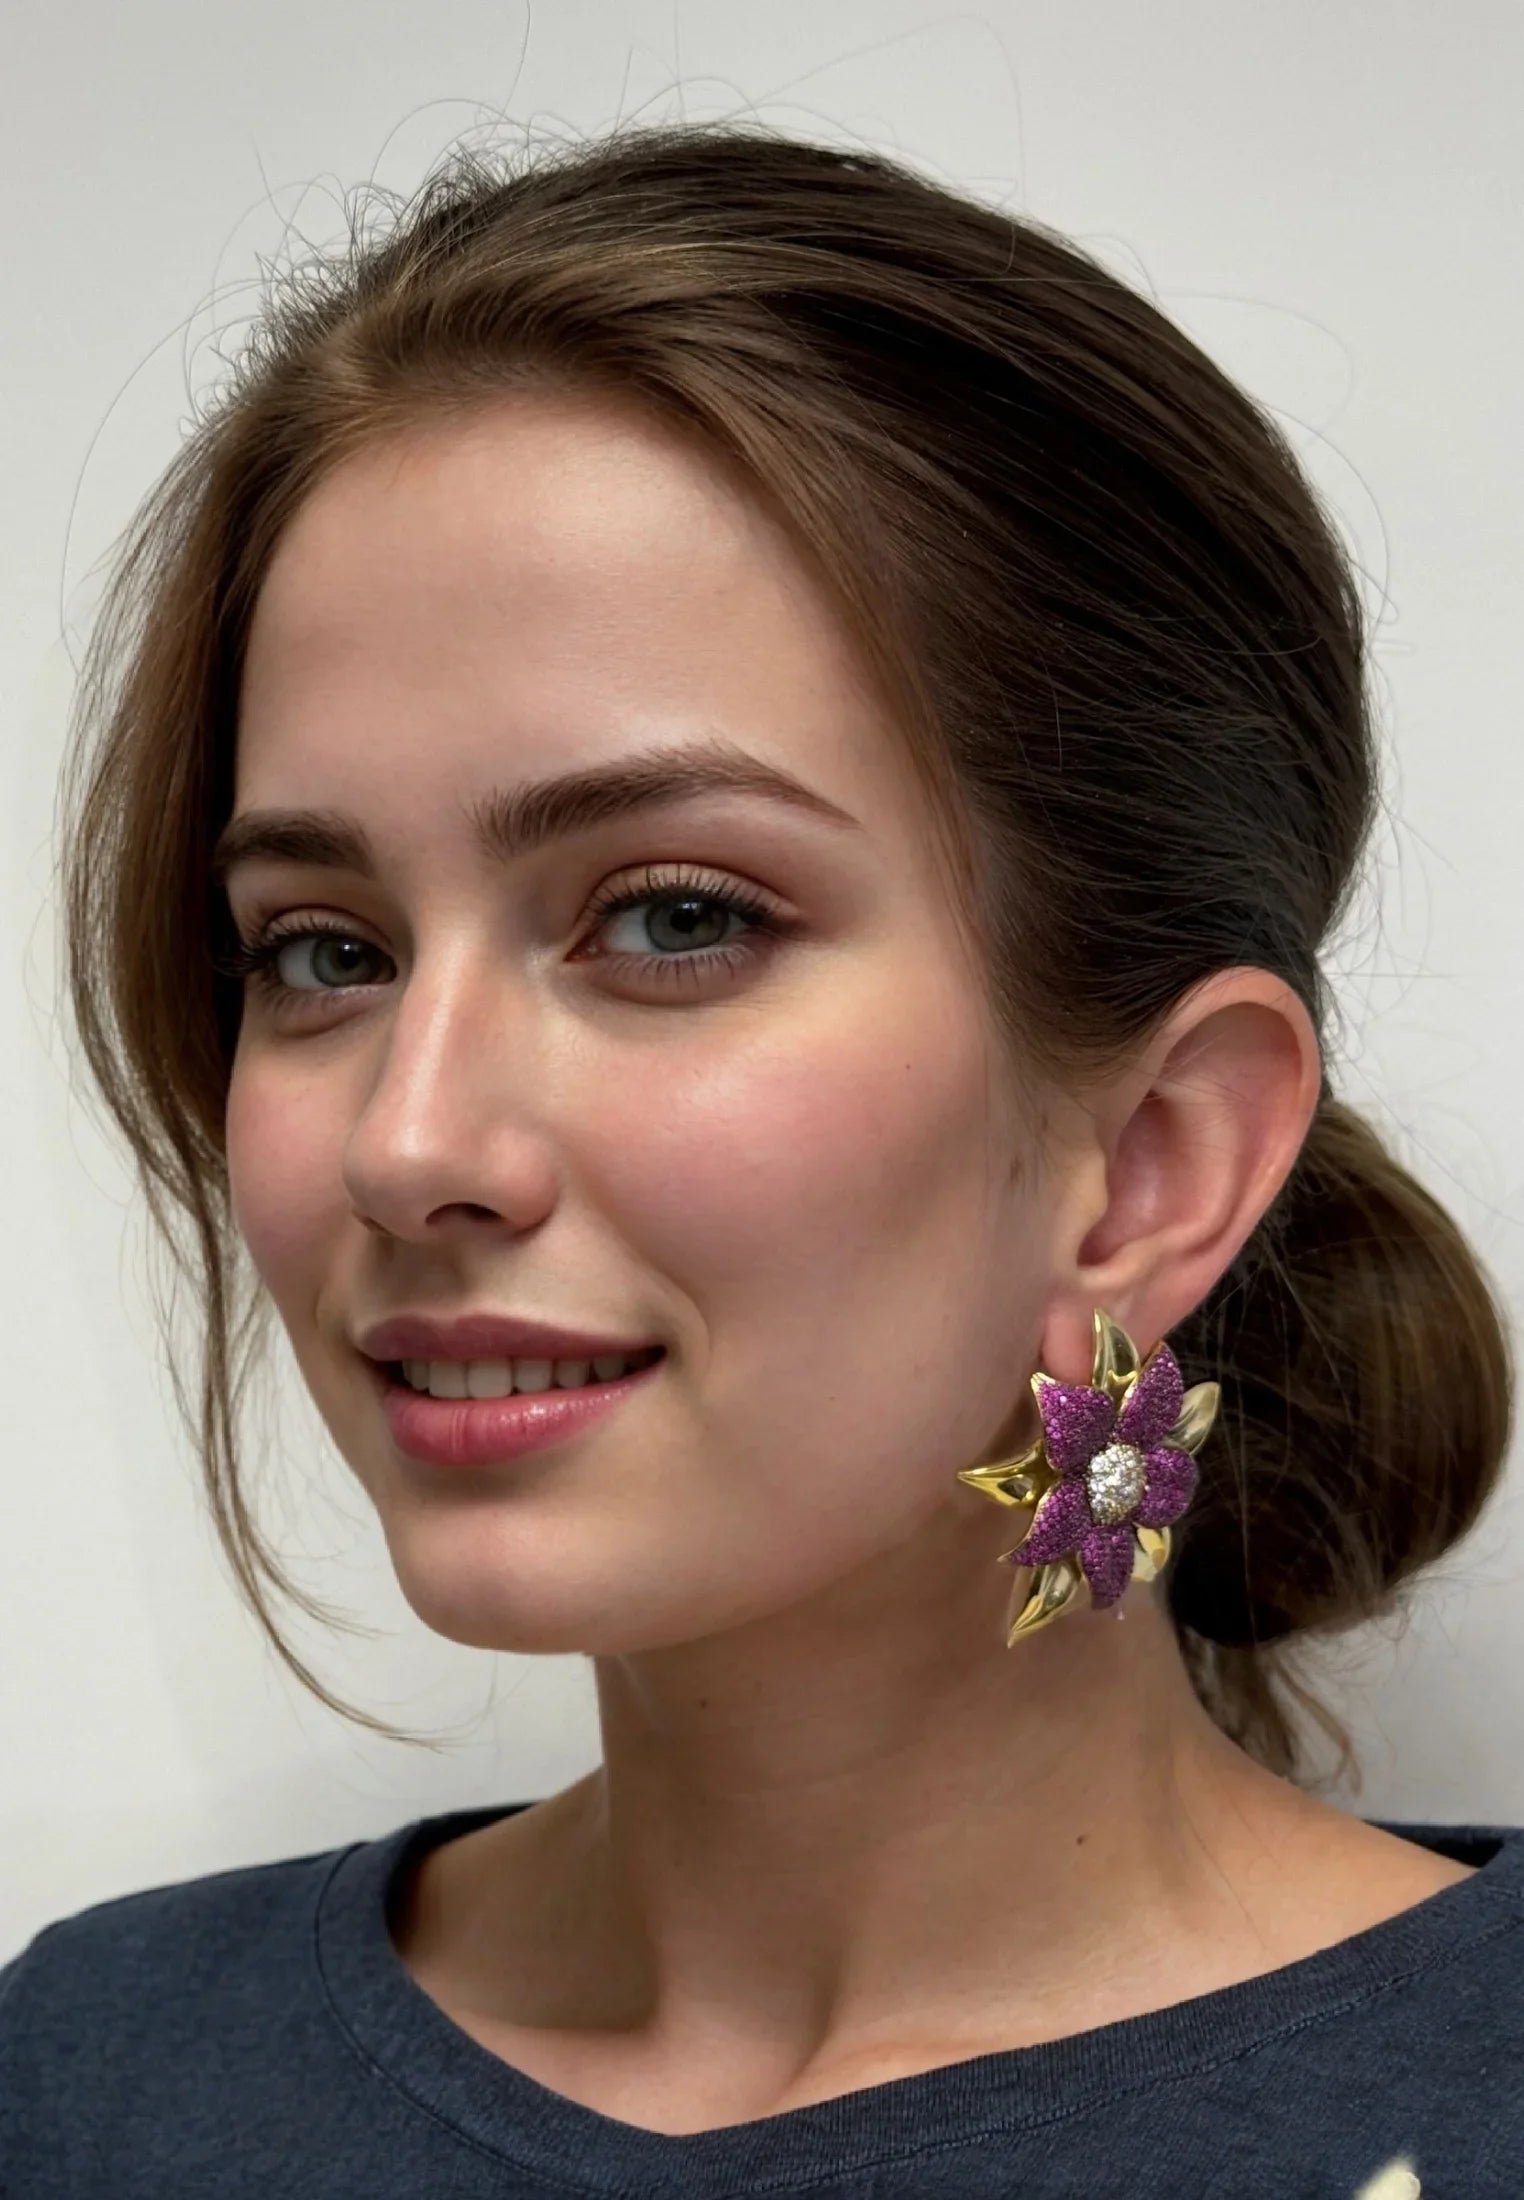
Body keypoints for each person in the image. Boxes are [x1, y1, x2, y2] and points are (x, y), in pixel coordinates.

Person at [1, 120, 1518, 2200]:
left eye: (674, 915)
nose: (409, 1142)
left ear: (1157, 1161)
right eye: (324, 950)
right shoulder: (93, 2083)